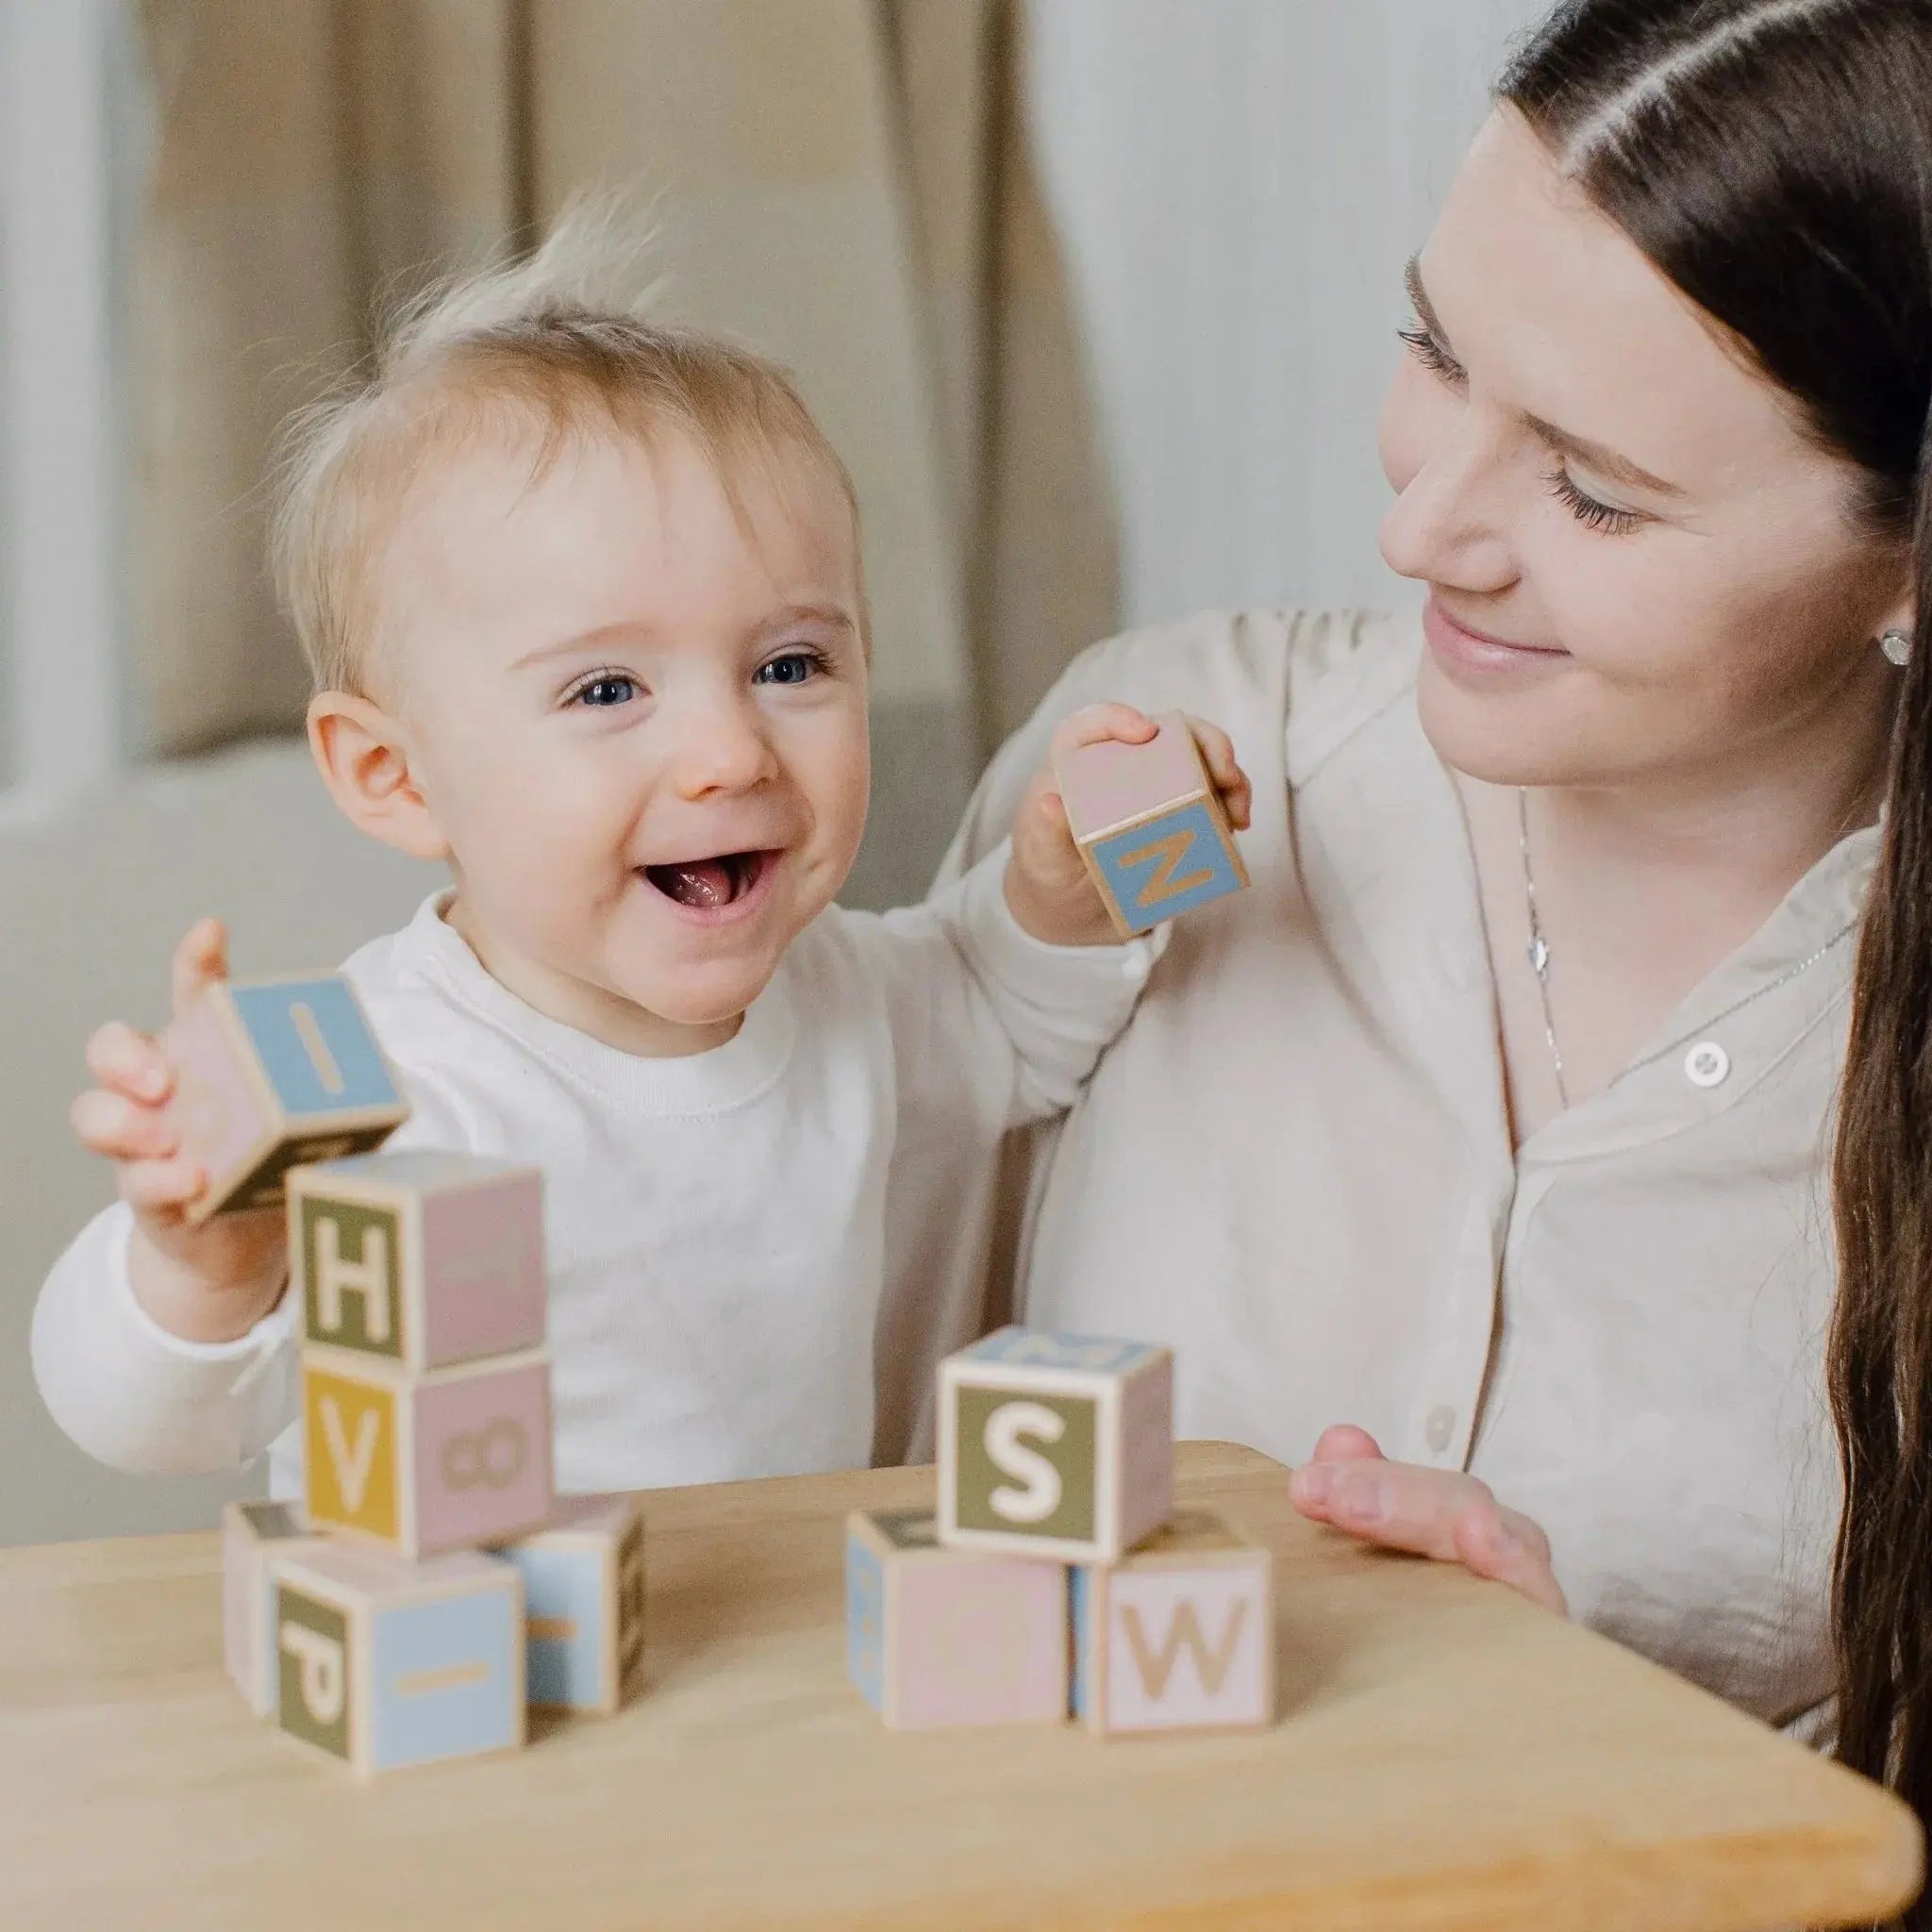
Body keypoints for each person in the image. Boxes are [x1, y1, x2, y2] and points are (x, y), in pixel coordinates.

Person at [914, 0, 1931, 1801]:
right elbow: (799, 1378)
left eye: (1595, 495)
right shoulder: (1156, 783)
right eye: (1436, 353)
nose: (1420, 533)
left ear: (1901, 556)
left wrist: (1609, 1769)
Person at [29, 210, 1251, 1501]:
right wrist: (205, 1274)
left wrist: (1061, 898)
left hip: (752, 1661)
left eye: (791, 665)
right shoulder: (380, 1082)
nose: (728, 752)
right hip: (469, 1663)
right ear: (395, 776)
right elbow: (143, 1427)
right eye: (608, 689)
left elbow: (1009, 1034)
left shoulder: (844, 992)